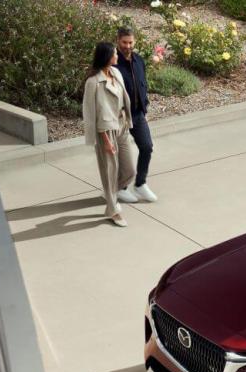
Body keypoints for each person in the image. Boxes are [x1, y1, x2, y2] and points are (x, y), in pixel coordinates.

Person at [83, 42, 136, 227]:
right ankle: (112, 210)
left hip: (121, 126)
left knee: (129, 170)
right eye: (114, 53)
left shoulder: (116, 73)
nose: (117, 56)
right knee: (110, 171)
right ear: (106, 56)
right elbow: (92, 113)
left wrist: (127, 122)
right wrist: (105, 140)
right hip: (105, 131)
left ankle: (110, 192)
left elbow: (124, 99)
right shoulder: (93, 82)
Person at [116, 27, 157, 202]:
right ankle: (121, 187)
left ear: (135, 41)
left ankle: (140, 184)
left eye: (131, 42)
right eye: (124, 42)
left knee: (147, 147)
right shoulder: (113, 63)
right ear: (118, 41)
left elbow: (143, 84)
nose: (128, 46)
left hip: (138, 114)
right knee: (122, 155)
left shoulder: (139, 60)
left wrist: (144, 105)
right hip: (120, 116)